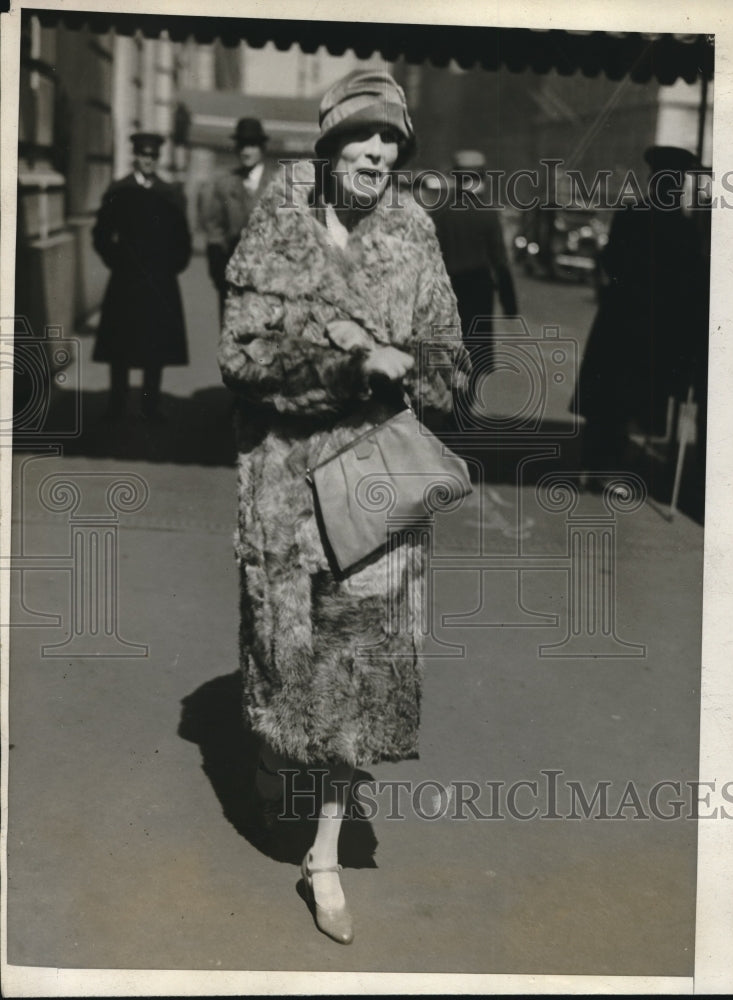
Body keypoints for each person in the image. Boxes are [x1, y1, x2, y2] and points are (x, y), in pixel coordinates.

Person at [217, 70, 469, 945]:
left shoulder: (412, 229)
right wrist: (345, 363)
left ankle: (323, 855)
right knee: (284, 659)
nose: (376, 154)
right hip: (285, 490)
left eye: (390, 141)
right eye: (360, 139)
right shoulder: (277, 227)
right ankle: (271, 751)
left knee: (357, 677)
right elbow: (242, 354)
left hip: (373, 489)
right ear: (327, 148)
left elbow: (448, 353)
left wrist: (419, 371)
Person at [572, 145, 709, 482]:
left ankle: (594, 463)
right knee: (629, 395)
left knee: (608, 393)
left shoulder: (631, 214)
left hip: (620, 317)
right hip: (654, 324)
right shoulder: (684, 228)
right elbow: (690, 283)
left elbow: (610, 261)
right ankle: (606, 468)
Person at [92, 132, 191, 422]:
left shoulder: (169, 193)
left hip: (159, 281)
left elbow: (182, 239)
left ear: (157, 159)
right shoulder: (118, 190)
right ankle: (116, 405)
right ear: (134, 156)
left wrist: (172, 267)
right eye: (143, 155)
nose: (148, 160)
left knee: (154, 346)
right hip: (125, 280)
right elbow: (100, 234)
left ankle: (150, 406)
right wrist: (116, 261)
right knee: (119, 344)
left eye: (153, 156)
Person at [431, 149, 519, 352]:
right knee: (475, 354)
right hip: (479, 291)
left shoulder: (440, 213)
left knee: (446, 351)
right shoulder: (487, 214)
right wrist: (509, 304)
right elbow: (500, 260)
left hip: (447, 288)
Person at [198, 117, 274, 319]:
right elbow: (215, 229)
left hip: (268, 279)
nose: (246, 151)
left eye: (251, 145)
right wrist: (218, 271)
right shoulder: (224, 184)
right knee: (231, 339)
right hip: (233, 277)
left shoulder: (278, 185)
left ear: (262, 148)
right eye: (241, 145)